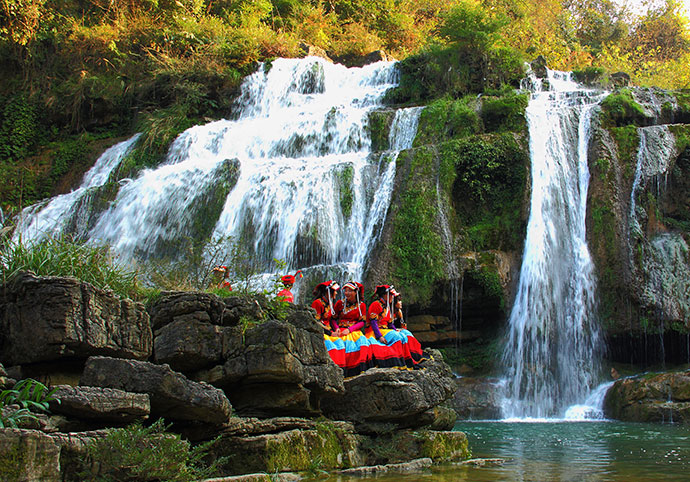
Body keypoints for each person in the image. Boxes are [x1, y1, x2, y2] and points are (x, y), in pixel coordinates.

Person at [367, 285, 424, 368]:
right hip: (376, 330)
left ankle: (412, 357)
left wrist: (395, 329)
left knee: (406, 334)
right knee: (397, 337)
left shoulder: (388, 306)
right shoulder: (375, 305)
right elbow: (373, 323)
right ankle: (398, 360)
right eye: (391, 295)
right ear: (384, 295)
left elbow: (390, 324)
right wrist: (379, 337)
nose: (392, 297)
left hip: (386, 329)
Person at [325, 281, 373, 377]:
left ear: (356, 292)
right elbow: (333, 319)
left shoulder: (361, 305)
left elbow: (362, 322)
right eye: (345, 291)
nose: (347, 293)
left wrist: (350, 329)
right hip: (341, 330)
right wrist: (337, 328)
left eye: (350, 291)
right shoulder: (339, 303)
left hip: (354, 331)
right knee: (344, 345)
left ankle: (360, 372)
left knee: (362, 343)